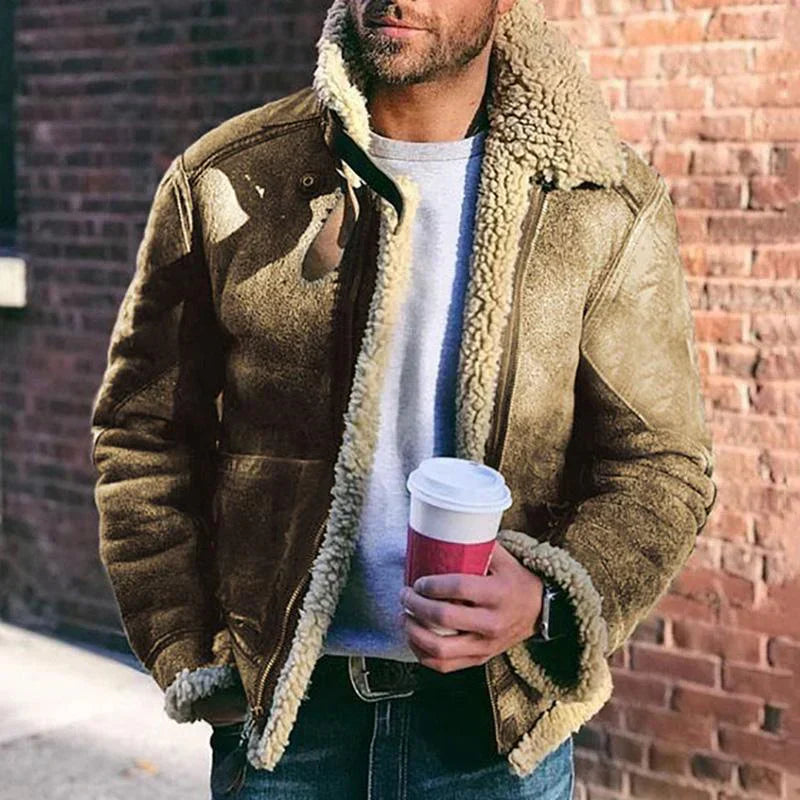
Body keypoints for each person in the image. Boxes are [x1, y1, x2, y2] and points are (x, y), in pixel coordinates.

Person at [89, 0, 718, 797]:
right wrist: (187, 652)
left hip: (492, 737)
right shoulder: (224, 179)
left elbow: (661, 463)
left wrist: (548, 600)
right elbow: (142, 433)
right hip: (288, 731)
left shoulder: (599, 200)